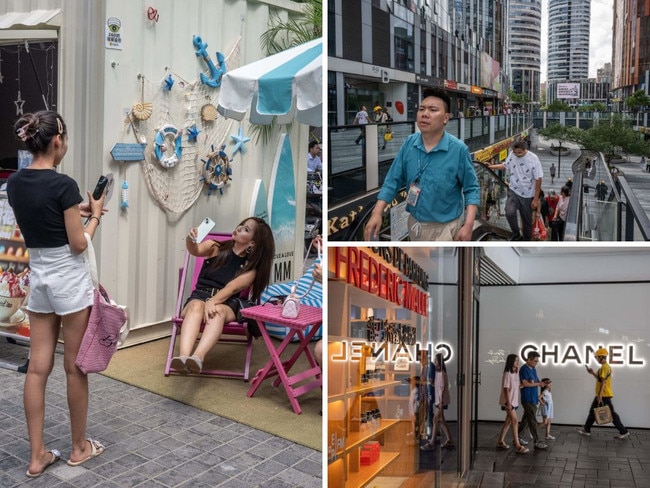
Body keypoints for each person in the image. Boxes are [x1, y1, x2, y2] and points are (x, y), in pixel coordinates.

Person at [7, 111, 107, 476]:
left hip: (41, 277)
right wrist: (93, 215)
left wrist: (74, 209)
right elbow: (78, 244)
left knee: (38, 367)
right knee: (75, 367)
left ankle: (37, 456)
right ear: (57, 141)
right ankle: (79, 447)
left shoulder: (16, 183)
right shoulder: (64, 184)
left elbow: (41, 215)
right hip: (68, 278)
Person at [364, 88, 480, 241]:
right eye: (421, 109)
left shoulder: (458, 150)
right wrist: (377, 212)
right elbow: (393, 180)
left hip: (445, 230)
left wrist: (469, 225)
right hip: (413, 225)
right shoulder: (409, 143)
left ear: (446, 118)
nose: (425, 114)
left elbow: (471, 188)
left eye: (433, 110)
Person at [170, 217, 274, 374]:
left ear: (252, 243)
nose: (239, 228)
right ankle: (183, 357)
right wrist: (190, 239)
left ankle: (198, 357)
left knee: (217, 311)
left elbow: (232, 288)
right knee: (197, 305)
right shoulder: (215, 247)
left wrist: (212, 301)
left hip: (228, 302)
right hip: (199, 295)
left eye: (246, 229)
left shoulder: (250, 269)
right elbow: (195, 250)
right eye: (241, 225)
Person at [486, 138, 543, 241]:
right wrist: (492, 167)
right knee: (509, 212)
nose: (517, 154)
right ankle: (516, 234)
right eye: (516, 152)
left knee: (526, 220)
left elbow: (538, 179)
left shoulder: (533, 159)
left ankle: (526, 241)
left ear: (525, 149)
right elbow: (505, 165)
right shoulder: (512, 154)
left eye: (520, 152)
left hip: (527, 194)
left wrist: (535, 198)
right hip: (513, 191)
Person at [578, 348, 630, 439]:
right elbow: (599, 379)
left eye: (597, 358)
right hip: (603, 395)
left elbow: (603, 382)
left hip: (604, 395)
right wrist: (592, 372)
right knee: (593, 412)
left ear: (601, 357)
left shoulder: (605, 367)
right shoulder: (603, 367)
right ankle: (587, 429)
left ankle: (623, 431)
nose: (596, 359)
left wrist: (600, 396)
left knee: (612, 414)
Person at [496, 354, 529, 454]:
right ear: (511, 362)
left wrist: (521, 385)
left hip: (514, 401)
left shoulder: (516, 372)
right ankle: (518, 446)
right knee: (515, 421)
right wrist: (509, 403)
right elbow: (506, 389)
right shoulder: (507, 373)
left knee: (508, 422)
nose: (517, 362)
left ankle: (500, 441)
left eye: (518, 361)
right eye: (515, 361)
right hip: (508, 401)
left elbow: (515, 386)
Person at [421, 353, 454, 450]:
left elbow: (441, 389)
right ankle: (449, 440)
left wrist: (439, 403)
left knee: (435, 419)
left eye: (435, 361)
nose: (434, 363)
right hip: (440, 401)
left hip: (441, 401)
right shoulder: (439, 373)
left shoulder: (441, 374)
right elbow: (439, 388)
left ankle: (431, 443)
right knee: (441, 421)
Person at [517, 351, 547, 449]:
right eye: (535, 361)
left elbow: (535, 381)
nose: (536, 363)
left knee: (526, 419)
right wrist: (537, 384)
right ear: (528, 359)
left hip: (533, 398)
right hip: (527, 398)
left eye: (537, 361)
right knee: (532, 420)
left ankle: (518, 437)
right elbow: (525, 384)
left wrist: (541, 383)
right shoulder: (523, 369)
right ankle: (536, 441)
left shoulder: (533, 369)